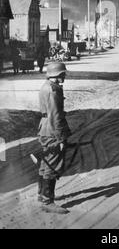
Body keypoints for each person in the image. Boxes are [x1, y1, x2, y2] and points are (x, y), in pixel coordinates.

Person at [37, 62, 71, 214]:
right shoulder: (53, 90)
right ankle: (47, 202)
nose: (65, 76)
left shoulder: (46, 85)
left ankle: (41, 194)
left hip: (45, 127)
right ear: (57, 74)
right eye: (63, 73)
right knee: (52, 164)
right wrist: (61, 138)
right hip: (52, 130)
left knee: (45, 163)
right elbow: (56, 116)